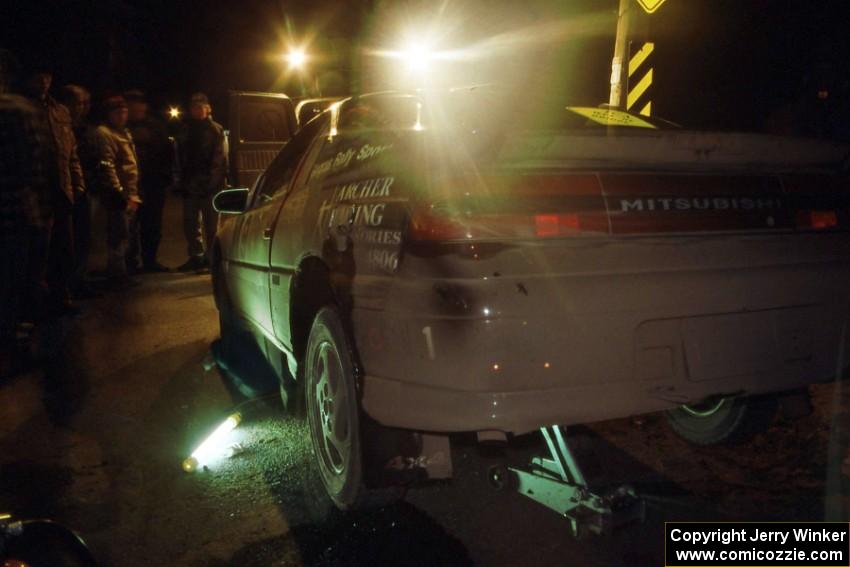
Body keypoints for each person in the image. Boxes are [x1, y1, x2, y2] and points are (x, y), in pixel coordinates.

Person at [22, 62, 85, 315]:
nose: (43, 81)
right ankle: (33, 305)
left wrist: (77, 181)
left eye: (47, 75)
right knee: (36, 252)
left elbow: (71, 151)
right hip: (35, 192)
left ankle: (61, 297)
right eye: (38, 75)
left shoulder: (59, 111)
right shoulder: (22, 109)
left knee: (64, 248)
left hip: (61, 189)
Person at [0, 50, 48, 376]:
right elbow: (34, 167)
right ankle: (10, 348)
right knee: (12, 283)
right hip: (14, 211)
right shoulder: (18, 112)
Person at [94, 94, 141, 289]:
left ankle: (121, 271)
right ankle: (117, 275)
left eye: (125, 112)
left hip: (130, 191)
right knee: (118, 235)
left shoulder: (124, 133)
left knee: (127, 233)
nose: (122, 116)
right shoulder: (105, 134)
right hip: (118, 194)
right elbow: (108, 165)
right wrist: (119, 192)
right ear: (109, 114)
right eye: (118, 112)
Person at [124, 89, 173, 273]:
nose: (137, 108)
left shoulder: (156, 126)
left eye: (139, 104)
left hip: (153, 183)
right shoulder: (123, 126)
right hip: (132, 184)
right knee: (129, 226)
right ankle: (130, 263)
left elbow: (167, 153)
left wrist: (165, 178)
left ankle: (150, 260)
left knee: (152, 225)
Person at [58, 84, 99, 297]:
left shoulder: (85, 128)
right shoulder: (62, 125)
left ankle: (78, 278)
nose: (82, 108)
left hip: (85, 187)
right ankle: (69, 283)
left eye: (85, 103)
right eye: (78, 103)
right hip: (69, 189)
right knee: (70, 239)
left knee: (84, 236)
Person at [177, 92, 225, 272]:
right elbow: (179, 156)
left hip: (209, 186)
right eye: (194, 107)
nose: (197, 110)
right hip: (190, 184)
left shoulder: (216, 129)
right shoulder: (185, 130)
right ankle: (195, 257)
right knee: (190, 224)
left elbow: (219, 159)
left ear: (208, 108)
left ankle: (211, 259)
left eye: (201, 107)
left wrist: (211, 183)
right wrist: (180, 182)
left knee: (211, 225)